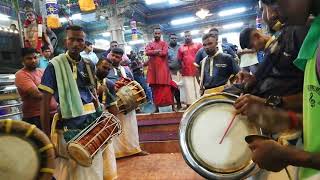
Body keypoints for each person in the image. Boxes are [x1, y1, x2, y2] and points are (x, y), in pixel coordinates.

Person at [245, 0, 320, 179]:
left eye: (273, 1)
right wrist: (288, 119)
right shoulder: (314, 35)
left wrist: (291, 156)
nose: (269, 15)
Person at [39, 25, 104, 180]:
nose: (76, 43)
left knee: (92, 163)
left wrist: (100, 115)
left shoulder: (89, 64)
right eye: (72, 39)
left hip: (90, 123)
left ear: (84, 43)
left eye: (80, 40)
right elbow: (44, 103)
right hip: (68, 124)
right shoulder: (54, 65)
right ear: (65, 42)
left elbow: (92, 93)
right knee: (72, 167)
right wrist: (46, 136)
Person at [234, 25, 307, 114]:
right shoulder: (270, 52)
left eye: (252, 46)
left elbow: (307, 93)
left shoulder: (292, 39)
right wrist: (251, 78)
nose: (254, 50)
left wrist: (268, 102)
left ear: (256, 36)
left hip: (287, 113)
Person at [107, 47, 147, 158]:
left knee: (131, 127)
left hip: (128, 103)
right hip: (112, 104)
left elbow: (133, 85)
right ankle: (115, 154)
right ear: (109, 54)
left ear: (121, 58)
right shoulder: (104, 68)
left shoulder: (127, 70)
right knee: (115, 128)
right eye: (113, 55)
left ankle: (134, 149)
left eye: (117, 57)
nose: (114, 58)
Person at [15, 47, 57, 128]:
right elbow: (37, 95)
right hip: (35, 117)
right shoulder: (21, 75)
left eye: (35, 57)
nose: (33, 60)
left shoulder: (42, 71)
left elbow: (56, 87)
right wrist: (53, 91)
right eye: (29, 58)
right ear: (22, 60)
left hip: (53, 114)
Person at [95, 58, 119, 180]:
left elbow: (112, 105)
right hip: (87, 120)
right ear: (97, 65)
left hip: (103, 120)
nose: (106, 71)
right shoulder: (87, 79)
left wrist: (113, 124)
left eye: (108, 69)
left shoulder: (109, 83)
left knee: (107, 152)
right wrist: (96, 92)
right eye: (104, 67)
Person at [145, 27, 174, 111]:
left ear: (160, 34)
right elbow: (147, 52)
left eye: (158, 33)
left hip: (163, 70)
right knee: (155, 89)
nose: (157, 35)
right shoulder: (150, 44)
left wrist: (153, 52)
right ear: (153, 34)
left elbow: (164, 53)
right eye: (155, 33)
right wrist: (157, 51)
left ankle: (171, 107)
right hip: (153, 71)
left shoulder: (164, 43)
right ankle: (156, 107)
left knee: (166, 89)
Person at [177, 30, 202, 106]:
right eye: (186, 36)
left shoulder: (198, 45)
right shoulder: (181, 48)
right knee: (189, 91)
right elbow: (179, 60)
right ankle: (191, 105)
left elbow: (202, 57)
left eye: (189, 35)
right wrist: (181, 70)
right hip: (186, 72)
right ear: (184, 37)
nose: (187, 37)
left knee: (199, 89)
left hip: (198, 72)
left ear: (192, 36)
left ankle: (200, 103)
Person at [168, 33, 182, 110]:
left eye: (175, 38)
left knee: (181, 89)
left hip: (180, 71)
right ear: (169, 39)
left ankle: (181, 104)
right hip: (171, 72)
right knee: (173, 89)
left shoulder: (180, 47)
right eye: (172, 38)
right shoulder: (166, 48)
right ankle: (174, 105)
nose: (174, 39)